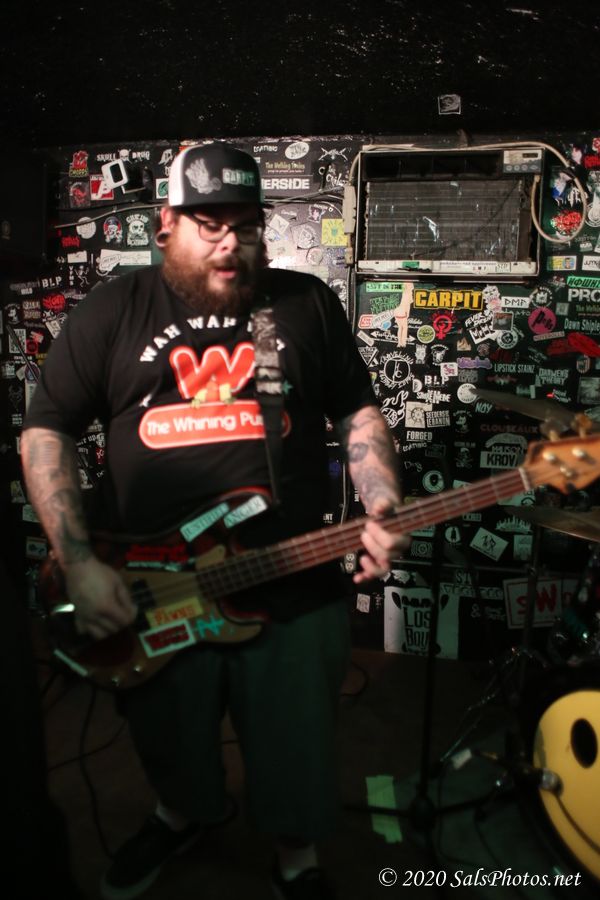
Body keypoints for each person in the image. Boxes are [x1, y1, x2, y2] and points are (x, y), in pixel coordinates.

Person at [20, 142, 409, 900]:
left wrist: (382, 502)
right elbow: (47, 429)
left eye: (246, 224)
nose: (231, 241)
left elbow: (357, 413)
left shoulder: (303, 304)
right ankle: (183, 813)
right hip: (151, 583)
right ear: (166, 225)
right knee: (168, 731)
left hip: (292, 578)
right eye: (210, 223)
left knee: (297, 743)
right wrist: (78, 558)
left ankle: (295, 857)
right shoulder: (114, 309)